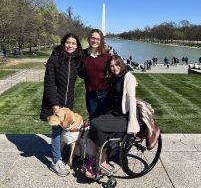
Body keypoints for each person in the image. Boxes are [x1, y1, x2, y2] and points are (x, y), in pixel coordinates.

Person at [81, 55, 140, 178]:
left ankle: (102, 162)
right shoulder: (114, 77)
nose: (115, 68)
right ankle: (97, 158)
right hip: (115, 113)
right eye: (112, 66)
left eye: (117, 65)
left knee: (97, 125)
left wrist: (133, 124)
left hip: (125, 117)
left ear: (122, 64)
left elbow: (131, 100)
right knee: (94, 122)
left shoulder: (129, 77)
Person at [40, 33, 83, 177]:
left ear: (77, 46)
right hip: (55, 103)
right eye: (68, 42)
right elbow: (49, 83)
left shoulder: (76, 60)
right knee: (56, 132)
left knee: (64, 130)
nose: (70, 45)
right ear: (63, 43)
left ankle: (61, 152)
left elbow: (89, 71)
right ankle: (56, 161)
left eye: (73, 43)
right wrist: (54, 105)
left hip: (67, 104)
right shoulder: (54, 59)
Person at [79, 28, 112, 120]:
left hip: (105, 93)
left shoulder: (107, 56)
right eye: (93, 38)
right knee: (92, 118)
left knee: (104, 120)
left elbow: (118, 69)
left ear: (101, 41)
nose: (95, 41)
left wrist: (130, 80)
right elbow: (75, 68)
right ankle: (93, 135)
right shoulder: (82, 54)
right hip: (90, 93)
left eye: (98, 39)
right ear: (89, 38)